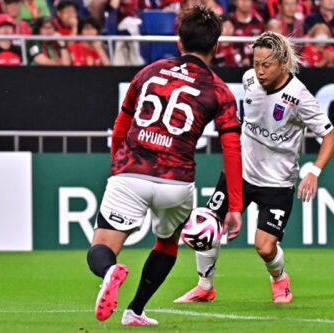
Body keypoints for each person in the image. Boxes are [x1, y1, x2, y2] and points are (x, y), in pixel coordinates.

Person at [86, 6, 243, 326]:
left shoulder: (149, 72)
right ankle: (135, 311)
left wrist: (118, 164)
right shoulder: (220, 91)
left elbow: (120, 126)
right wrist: (235, 206)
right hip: (177, 183)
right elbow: (232, 150)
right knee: (167, 242)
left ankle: (109, 271)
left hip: (132, 172)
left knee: (102, 246)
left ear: (179, 42)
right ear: (217, 46)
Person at [175, 31, 334, 304]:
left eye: (267, 65)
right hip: (240, 173)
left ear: (283, 64)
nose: (259, 71)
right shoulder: (249, 80)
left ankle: (280, 280)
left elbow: (331, 137)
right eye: (256, 63)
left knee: (264, 247)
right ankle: (205, 286)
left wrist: (314, 171)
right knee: (206, 225)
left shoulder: (299, 96)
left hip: (277, 182)